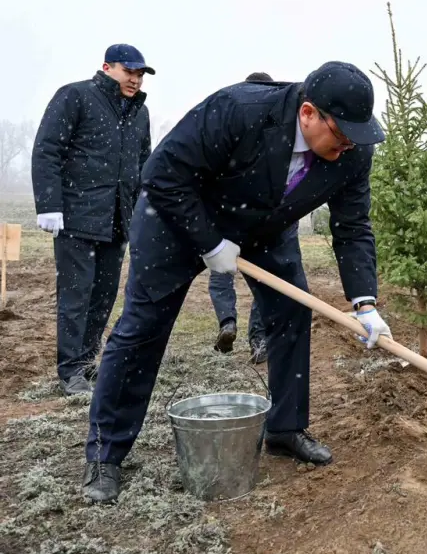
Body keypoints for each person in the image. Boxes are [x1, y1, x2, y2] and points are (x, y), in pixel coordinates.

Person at [81, 61, 393, 503]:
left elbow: (353, 226)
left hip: (265, 227)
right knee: (142, 328)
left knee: (291, 312)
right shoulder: (239, 109)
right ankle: (104, 453)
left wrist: (365, 302)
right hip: (177, 217)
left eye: (355, 138)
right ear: (308, 113)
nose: (348, 146)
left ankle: (285, 428)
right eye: (341, 136)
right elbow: (162, 174)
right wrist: (210, 242)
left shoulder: (353, 151)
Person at [31, 44, 154, 396]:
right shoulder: (75, 97)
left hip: (118, 219)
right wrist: (49, 205)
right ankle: (70, 371)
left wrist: (141, 212)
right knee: (76, 295)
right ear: (106, 67)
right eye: (129, 71)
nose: (135, 79)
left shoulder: (138, 113)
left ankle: (86, 363)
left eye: (140, 73)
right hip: (76, 217)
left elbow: (143, 164)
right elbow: (48, 149)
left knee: (103, 295)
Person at [207, 71, 275, 364]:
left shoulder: (229, 123)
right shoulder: (278, 129)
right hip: (265, 223)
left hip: (228, 219)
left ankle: (227, 322)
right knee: (264, 280)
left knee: (221, 274)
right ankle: (259, 341)